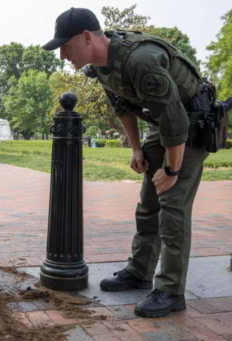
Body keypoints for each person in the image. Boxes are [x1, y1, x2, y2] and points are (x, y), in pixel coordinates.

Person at [43, 8, 209, 318]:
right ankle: (140, 271)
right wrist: (136, 147)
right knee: (148, 204)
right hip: (163, 125)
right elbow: (120, 103)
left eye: (65, 46)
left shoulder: (141, 61)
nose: (63, 55)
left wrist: (172, 170)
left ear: (87, 37)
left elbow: (175, 120)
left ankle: (171, 291)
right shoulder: (100, 65)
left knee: (172, 207)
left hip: (193, 126)